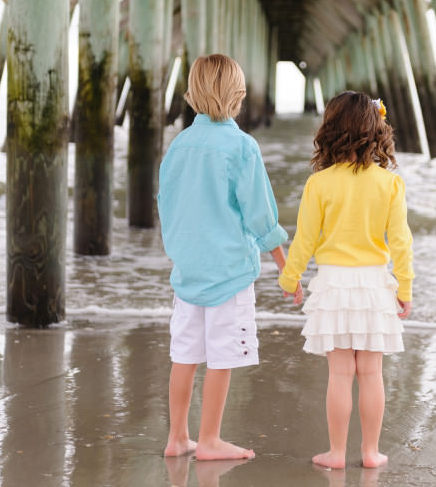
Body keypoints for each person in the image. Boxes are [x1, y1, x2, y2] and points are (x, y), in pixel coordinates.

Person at [157, 54, 291, 460]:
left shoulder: (178, 146)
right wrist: (287, 269)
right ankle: (210, 439)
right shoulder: (242, 147)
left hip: (188, 272)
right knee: (221, 357)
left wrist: (180, 251)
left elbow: (166, 203)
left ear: (192, 93)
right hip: (229, 274)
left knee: (185, 356)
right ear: (239, 95)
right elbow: (261, 216)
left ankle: (177, 438)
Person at [279, 91, 414, 469]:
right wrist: (405, 288)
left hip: (335, 286)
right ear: (376, 130)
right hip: (374, 287)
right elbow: (401, 242)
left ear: (331, 130)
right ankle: (370, 453)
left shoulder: (319, 184)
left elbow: (304, 240)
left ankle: (336, 453)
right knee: (371, 373)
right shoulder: (389, 184)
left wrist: (290, 279)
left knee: (340, 374)